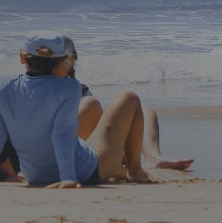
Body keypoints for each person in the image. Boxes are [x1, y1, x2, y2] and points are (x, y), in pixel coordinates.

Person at [0, 32, 153, 188]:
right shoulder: (69, 88)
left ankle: (118, 168)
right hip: (86, 172)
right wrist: (69, 178)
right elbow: (62, 135)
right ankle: (135, 170)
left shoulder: (0, 86)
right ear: (61, 61)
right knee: (129, 98)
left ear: (22, 58)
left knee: (87, 116)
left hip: (34, 176)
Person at [63, 36, 194, 171]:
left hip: (90, 141)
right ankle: (126, 161)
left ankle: (153, 157)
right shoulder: (60, 89)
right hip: (74, 147)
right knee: (91, 106)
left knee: (144, 112)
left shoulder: (78, 88)